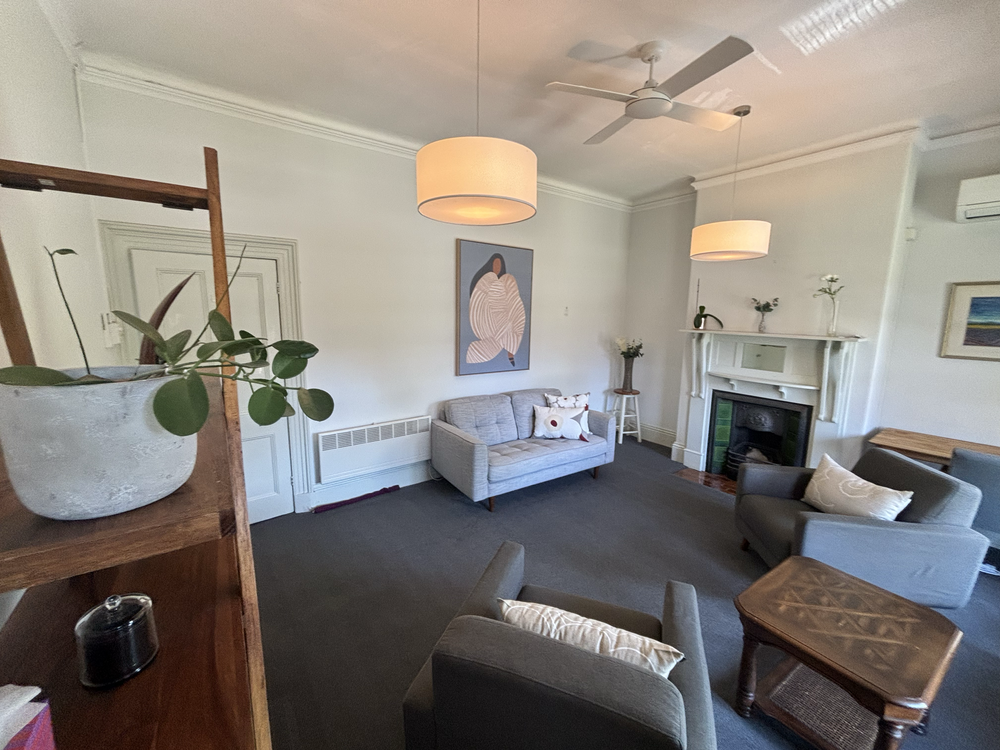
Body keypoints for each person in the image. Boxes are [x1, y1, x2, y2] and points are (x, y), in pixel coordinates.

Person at [466, 253, 525, 367]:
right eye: (495, 265)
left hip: (503, 318)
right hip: (490, 318)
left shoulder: (507, 285)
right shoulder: (484, 285)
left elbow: (515, 306)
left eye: (499, 266)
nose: (497, 268)